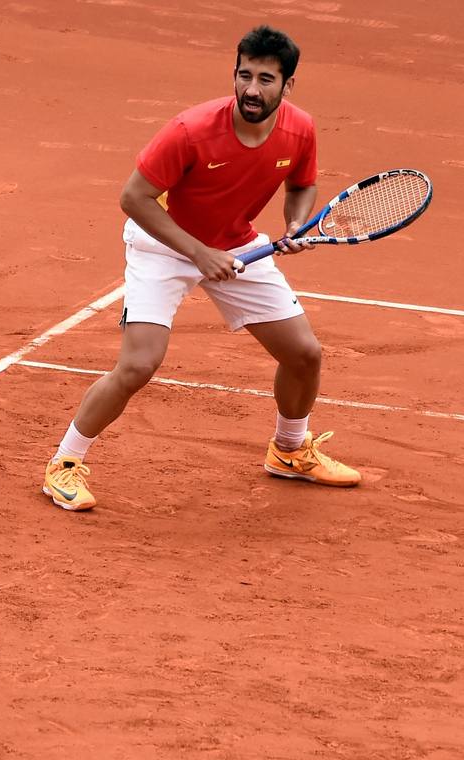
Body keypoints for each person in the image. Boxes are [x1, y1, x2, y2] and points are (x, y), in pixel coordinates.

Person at [42, 24, 360, 512]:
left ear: (288, 85)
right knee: (138, 365)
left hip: (235, 245)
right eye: (244, 76)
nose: (252, 90)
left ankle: (289, 451)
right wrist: (198, 253)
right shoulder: (191, 130)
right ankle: (64, 464)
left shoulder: (300, 129)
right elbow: (134, 198)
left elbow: (301, 184)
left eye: (266, 80)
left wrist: (296, 225)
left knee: (304, 355)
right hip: (161, 245)